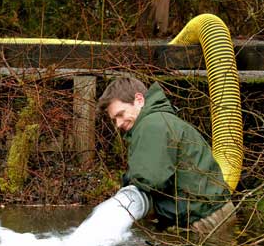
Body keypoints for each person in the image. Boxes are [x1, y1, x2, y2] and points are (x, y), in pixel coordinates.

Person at [97, 77, 235, 234]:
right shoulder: (162, 120)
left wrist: (126, 191)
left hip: (205, 219)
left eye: (120, 114)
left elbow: (150, 180)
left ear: (139, 100)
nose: (119, 124)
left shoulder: (152, 125)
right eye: (114, 120)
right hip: (213, 212)